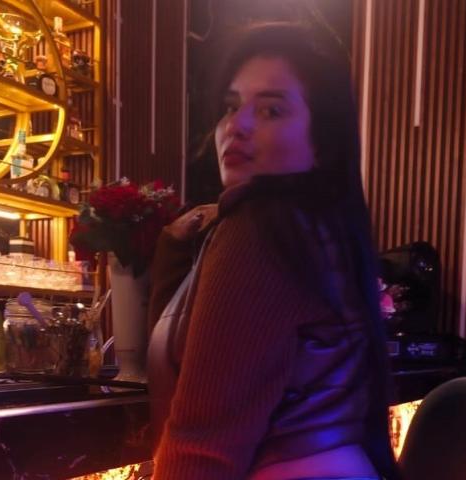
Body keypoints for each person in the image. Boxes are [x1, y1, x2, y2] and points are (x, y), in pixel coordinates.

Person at [147, 21, 399, 480]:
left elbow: (204, 444)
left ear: (322, 142)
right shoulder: (324, 229)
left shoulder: (261, 228)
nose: (236, 125)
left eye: (271, 110)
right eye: (231, 106)